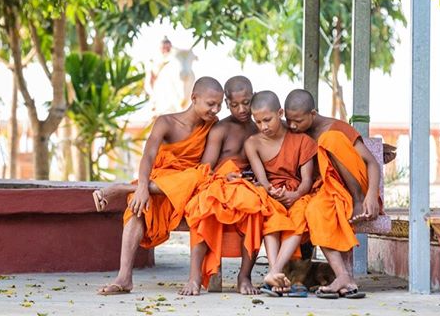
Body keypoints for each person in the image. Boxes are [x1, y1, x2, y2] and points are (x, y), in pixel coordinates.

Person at [93, 77, 224, 295]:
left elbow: (204, 169)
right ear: (194, 98)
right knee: (136, 206)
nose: (216, 109)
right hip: (161, 183)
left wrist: (142, 187)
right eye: (211, 104)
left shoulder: (213, 127)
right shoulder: (166, 122)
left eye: (219, 105)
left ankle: (123, 188)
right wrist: (142, 187)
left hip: (189, 186)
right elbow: (148, 156)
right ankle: (124, 277)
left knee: (197, 177)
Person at [283, 88, 383, 299]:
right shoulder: (296, 133)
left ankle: (355, 200)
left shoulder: (337, 128)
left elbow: (371, 163)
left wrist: (370, 196)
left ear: (313, 113)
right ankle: (343, 277)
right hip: (328, 191)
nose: (292, 126)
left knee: (329, 139)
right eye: (289, 120)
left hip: (356, 190)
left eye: (297, 120)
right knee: (315, 211)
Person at [180, 76, 265, 296]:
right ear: (227, 103)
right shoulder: (221, 129)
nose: (242, 109)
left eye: (246, 102)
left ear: (253, 98)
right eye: (234, 104)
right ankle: (194, 276)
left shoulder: (260, 128)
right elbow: (205, 167)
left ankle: (244, 276)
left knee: (256, 207)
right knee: (203, 207)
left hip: (245, 186)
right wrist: (225, 177)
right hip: (219, 182)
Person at [244, 90, 317, 297]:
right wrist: (272, 191)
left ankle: (273, 272)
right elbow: (263, 181)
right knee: (271, 215)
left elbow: (307, 181)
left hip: (297, 193)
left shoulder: (303, 140)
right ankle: (276, 276)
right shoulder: (252, 143)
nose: (263, 127)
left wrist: (294, 195)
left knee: (301, 215)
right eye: (257, 122)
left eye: (267, 120)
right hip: (272, 193)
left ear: (280, 113)